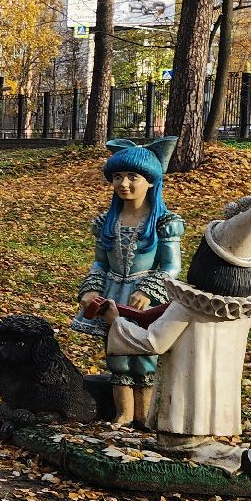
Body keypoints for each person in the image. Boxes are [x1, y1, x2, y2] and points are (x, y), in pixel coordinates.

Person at [104, 181, 251, 498]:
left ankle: (231, 460)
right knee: (200, 438)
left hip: (182, 400)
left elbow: (153, 343)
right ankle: (224, 451)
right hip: (217, 400)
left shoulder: (187, 306)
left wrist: (115, 323)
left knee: (179, 445)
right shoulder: (245, 310)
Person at [71, 138, 183, 428]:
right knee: (118, 354)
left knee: (145, 354)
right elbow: (100, 262)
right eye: (118, 177)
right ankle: (124, 413)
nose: (124, 184)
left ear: (150, 182)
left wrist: (149, 290)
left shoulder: (163, 223)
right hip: (113, 296)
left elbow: (171, 266)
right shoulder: (107, 221)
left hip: (145, 302)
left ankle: (146, 415)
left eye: (133, 177)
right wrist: (92, 287)